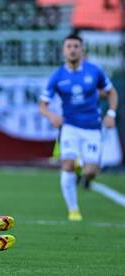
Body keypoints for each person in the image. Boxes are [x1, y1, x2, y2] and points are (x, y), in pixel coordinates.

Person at [39, 34, 118, 221]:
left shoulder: (94, 71)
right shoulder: (57, 76)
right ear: (64, 51)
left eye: (76, 46)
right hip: (70, 127)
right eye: (69, 46)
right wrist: (52, 116)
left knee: (91, 172)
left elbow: (112, 92)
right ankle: (73, 211)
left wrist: (111, 114)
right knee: (67, 164)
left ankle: (84, 172)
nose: (73, 49)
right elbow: (42, 105)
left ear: (82, 50)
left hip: (92, 128)